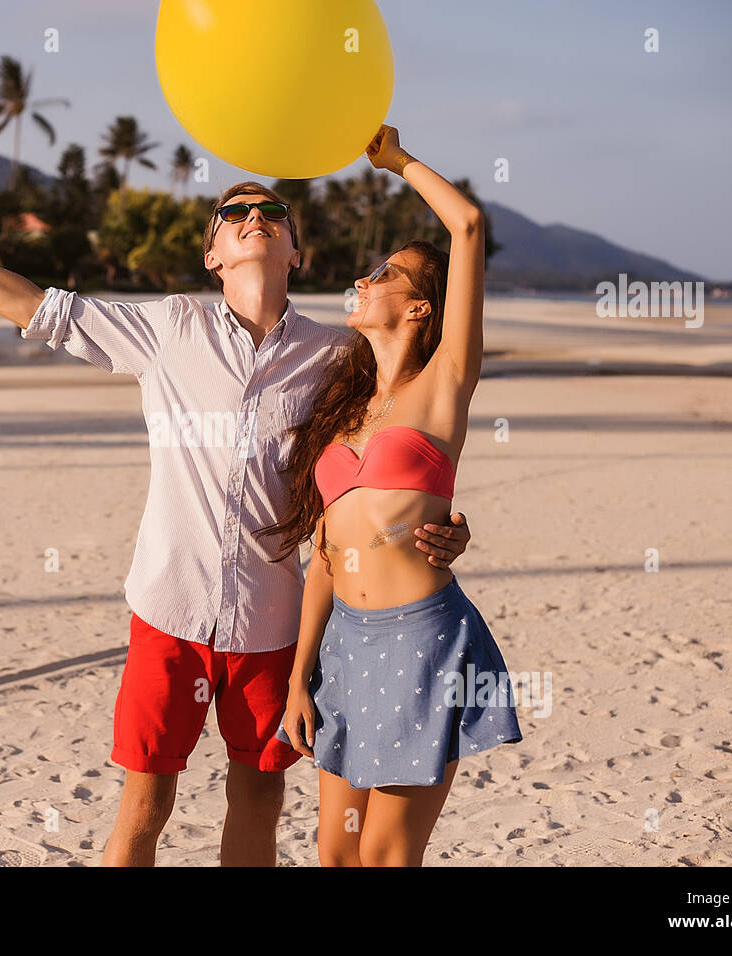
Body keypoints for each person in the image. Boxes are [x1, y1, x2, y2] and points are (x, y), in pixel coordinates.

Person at [0, 148, 475, 866]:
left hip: (273, 623)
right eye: (235, 213)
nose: (255, 218)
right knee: (145, 806)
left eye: (273, 213)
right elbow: (31, 304)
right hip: (169, 610)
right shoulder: (168, 330)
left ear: (296, 250)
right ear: (214, 256)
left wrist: (444, 520)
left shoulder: (335, 356)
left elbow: (398, 439)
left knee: (258, 804)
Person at [258, 125, 523, 867]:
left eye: (386, 275)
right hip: (344, 641)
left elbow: (466, 225)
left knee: (381, 857)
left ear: (420, 311)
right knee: (335, 854)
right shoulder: (341, 411)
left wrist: (396, 161)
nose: (365, 280)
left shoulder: (444, 389)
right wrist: (298, 679)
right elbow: (322, 561)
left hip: (421, 642)